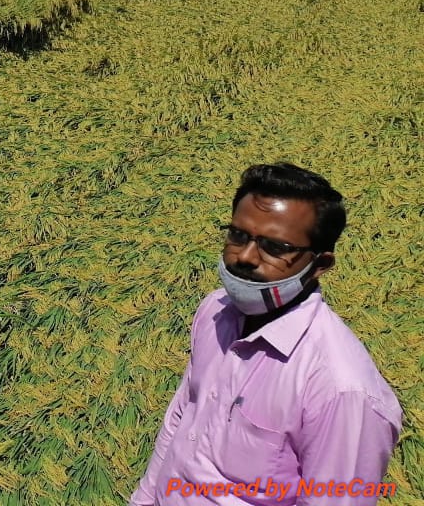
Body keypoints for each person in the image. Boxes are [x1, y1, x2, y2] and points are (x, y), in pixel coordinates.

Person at [130, 163, 401, 505]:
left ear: (319, 264)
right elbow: (183, 415)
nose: (245, 256)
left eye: (275, 247)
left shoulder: (341, 389)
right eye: (239, 236)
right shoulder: (215, 310)